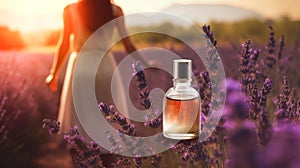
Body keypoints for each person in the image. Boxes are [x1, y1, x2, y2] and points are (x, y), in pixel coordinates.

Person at [45, 0, 147, 147]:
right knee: (108, 123)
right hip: (106, 67)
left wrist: (53, 73)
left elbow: (64, 44)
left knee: (79, 124)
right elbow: (128, 44)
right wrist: (147, 63)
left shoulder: (70, 10)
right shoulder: (115, 10)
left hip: (81, 66)